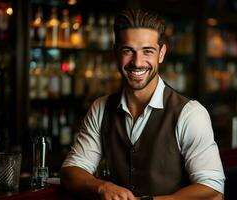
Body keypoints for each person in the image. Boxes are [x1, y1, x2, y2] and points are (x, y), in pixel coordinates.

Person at [60, 8, 225, 200]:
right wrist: (102, 187)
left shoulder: (190, 113)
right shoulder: (101, 108)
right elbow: (71, 171)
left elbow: (212, 188)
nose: (137, 62)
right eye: (128, 50)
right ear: (116, 53)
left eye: (148, 51)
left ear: (161, 53)